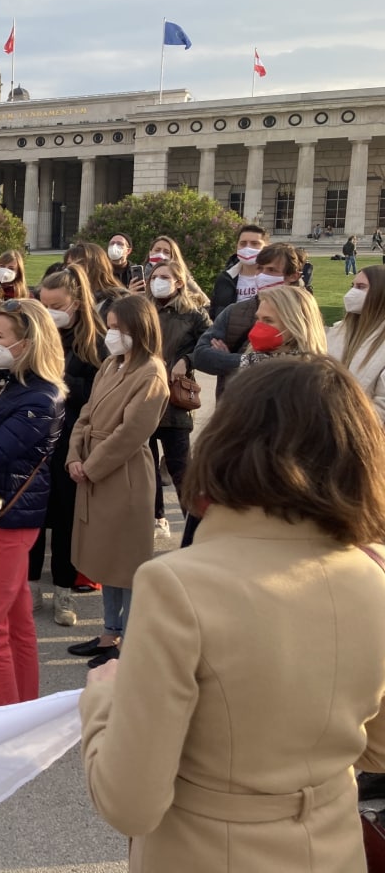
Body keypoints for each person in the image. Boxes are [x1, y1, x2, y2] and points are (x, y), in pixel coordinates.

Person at [79, 356, 385, 873]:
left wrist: (103, 702)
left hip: (206, 849)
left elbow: (129, 800)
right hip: (332, 844)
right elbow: (375, 747)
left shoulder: (178, 586)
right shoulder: (371, 573)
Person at [0, 298, 66, 707]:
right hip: (7, 518)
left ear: (28, 343)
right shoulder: (21, 387)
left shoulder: (40, 399)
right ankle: (24, 712)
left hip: (10, 522)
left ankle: (6, 722)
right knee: (17, 623)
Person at [66, 296, 169, 669]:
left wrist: (90, 466)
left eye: (119, 329)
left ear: (139, 331)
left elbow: (130, 434)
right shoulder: (110, 364)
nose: (111, 335)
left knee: (126, 561)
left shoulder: (151, 373)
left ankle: (128, 637)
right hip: (94, 464)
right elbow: (85, 413)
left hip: (123, 473)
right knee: (107, 558)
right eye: (109, 326)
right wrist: (74, 455)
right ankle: (109, 631)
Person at [29, 265, 107, 625]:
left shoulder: (97, 341)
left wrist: (60, 379)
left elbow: (100, 396)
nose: (49, 313)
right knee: (31, 517)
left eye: (56, 305)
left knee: (64, 521)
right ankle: (30, 591)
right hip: (34, 437)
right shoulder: (38, 333)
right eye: (43, 305)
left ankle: (64, 593)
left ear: (76, 302)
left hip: (72, 440)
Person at [147, 258, 211, 537]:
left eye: (164, 276)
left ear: (179, 282)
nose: (157, 281)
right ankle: (156, 516)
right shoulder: (144, 309)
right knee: (146, 466)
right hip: (145, 396)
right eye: (154, 276)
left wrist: (187, 359)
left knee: (181, 468)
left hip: (175, 399)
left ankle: (198, 527)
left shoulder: (194, 314)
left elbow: (210, 345)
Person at [193, 242, 305, 396]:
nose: (262, 275)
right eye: (259, 269)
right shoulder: (234, 311)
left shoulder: (304, 314)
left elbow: (306, 361)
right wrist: (247, 361)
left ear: (293, 276)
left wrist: (227, 360)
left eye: (271, 270)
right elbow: (202, 356)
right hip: (233, 404)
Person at [327, 266, 385, 423]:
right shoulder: (336, 332)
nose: (352, 292)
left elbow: (382, 405)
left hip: (363, 432)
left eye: (361, 287)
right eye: (352, 286)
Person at [235, 284, 328, 370]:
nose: (259, 326)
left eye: (268, 320)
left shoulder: (308, 372)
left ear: (294, 324)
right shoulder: (250, 360)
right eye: (258, 319)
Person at [209, 224, 268, 318]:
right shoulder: (225, 278)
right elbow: (214, 313)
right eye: (243, 243)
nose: (247, 248)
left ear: (265, 248)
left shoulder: (274, 277)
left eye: (254, 243)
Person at [65, 242, 128, 318]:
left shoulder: (117, 300)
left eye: (80, 264)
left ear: (97, 267)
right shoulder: (69, 297)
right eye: (69, 264)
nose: (72, 269)